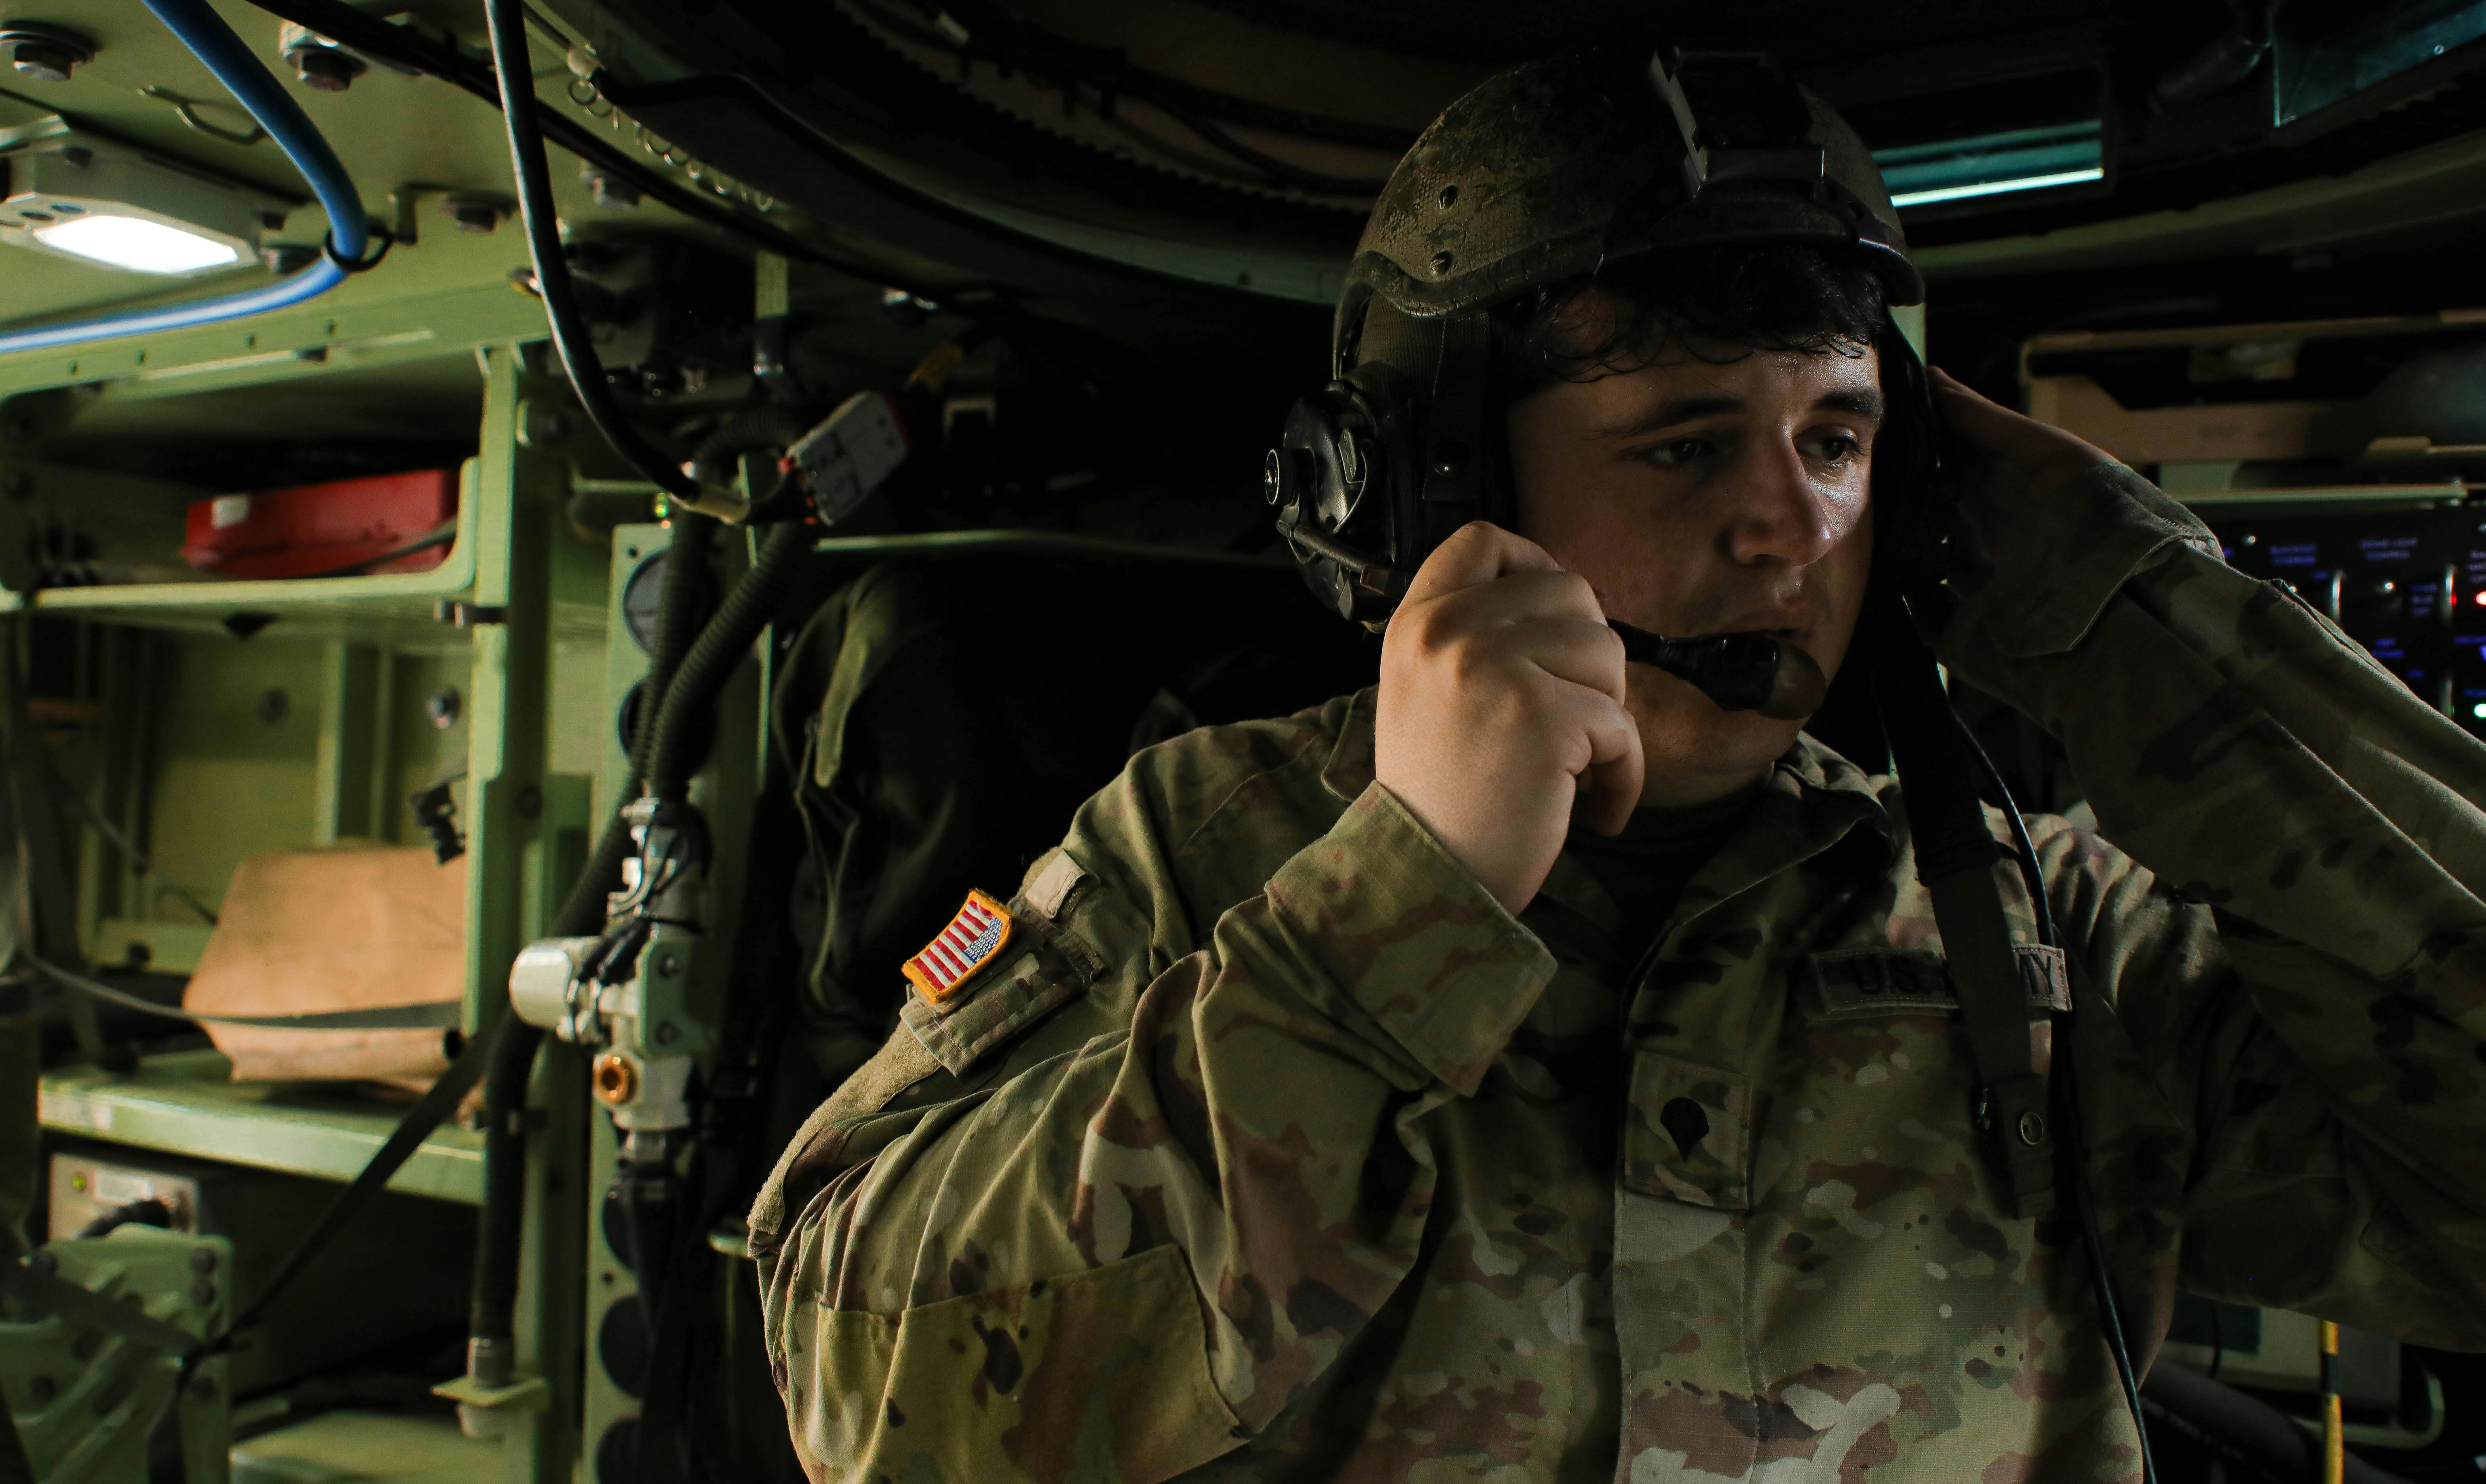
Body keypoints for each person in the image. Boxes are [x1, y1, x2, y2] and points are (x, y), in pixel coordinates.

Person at [747, 42, 2486, 1484]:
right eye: (1682, 444)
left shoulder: (2039, 935)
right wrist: (1389, 924)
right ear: (1443, 494)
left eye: (1840, 438)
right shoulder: (1213, 845)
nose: (1790, 526)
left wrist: (2132, 614)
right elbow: (861, 1387)